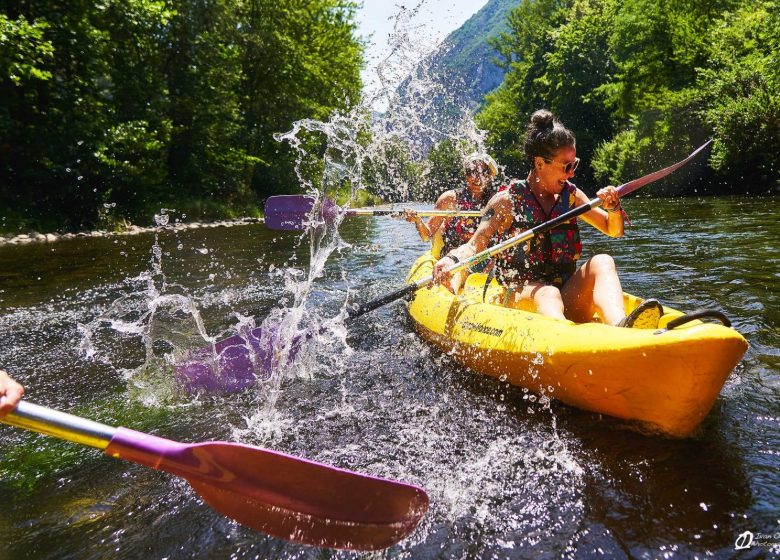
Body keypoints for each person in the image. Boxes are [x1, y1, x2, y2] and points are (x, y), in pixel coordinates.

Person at [431, 109, 662, 328]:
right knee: (547, 294)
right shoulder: (506, 201)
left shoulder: (571, 196)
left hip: (564, 295)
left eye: (575, 164)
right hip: (520, 297)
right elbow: (474, 245)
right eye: (566, 166)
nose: (572, 173)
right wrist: (450, 260)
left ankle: (619, 325)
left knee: (602, 261)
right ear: (540, 163)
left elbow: (614, 230)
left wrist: (613, 208)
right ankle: (567, 340)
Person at [404, 152, 499, 292]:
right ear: (466, 174)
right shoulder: (450, 199)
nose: (476, 177)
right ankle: (451, 290)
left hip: (485, 257)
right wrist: (417, 220)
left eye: (483, 172)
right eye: (471, 171)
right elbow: (426, 235)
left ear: (490, 175)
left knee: (496, 262)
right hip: (454, 257)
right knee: (460, 265)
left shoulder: (497, 201)